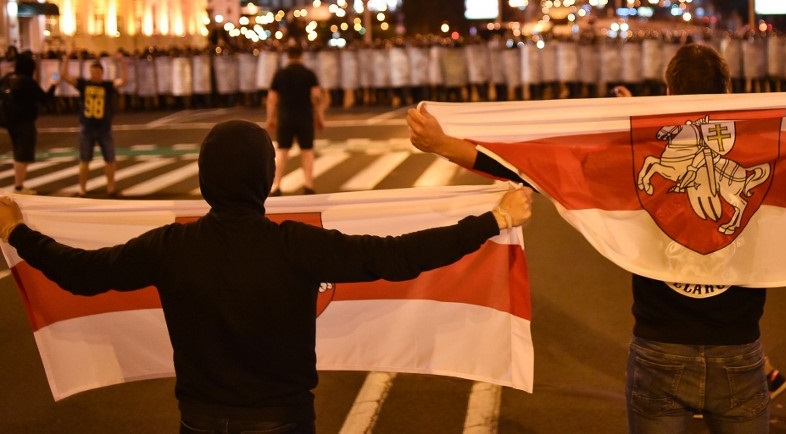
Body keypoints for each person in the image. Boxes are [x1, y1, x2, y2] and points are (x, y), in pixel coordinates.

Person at [408, 42, 786, 433]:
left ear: (670, 93)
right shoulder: (772, 150)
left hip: (657, 350)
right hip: (740, 354)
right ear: (729, 89)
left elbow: (535, 163)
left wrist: (444, 144)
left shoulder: (635, 152)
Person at [0, 119, 533, 433]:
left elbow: (81, 274)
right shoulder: (294, 245)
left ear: (206, 178)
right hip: (282, 419)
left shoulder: (171, 245)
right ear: (267, 178)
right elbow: (396, 257)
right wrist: (495, 219)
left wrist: (17, 233)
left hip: (200, 419)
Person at [60, 52, 127, 197]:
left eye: (97, 72)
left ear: (102, 73)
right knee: (84, 159)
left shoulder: (107, 86)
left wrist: (122, 62)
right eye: (92, 72)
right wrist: (66, 58)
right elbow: (65, 76)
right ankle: (82, 189)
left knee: (109, 159)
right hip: (87, 127)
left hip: (104, 127)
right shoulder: (84, 84)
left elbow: (124, 81)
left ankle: (111, 188)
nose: (95, 75)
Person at [267, 45, 325, 196]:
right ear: (301, 56)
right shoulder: (308, 74)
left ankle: (277, 185)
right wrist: (320, 117)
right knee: (307, 151)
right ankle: (308, 185)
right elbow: (317, 97)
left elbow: (272, 99)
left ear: (288, 56)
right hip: (305, 117)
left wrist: (270, 118)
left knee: (282, 151)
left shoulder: (280, 74)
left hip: (285, 117)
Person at [1, 51, 57, 194]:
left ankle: (19, 184)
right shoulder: (27, 81)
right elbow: (44, 99)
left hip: (8, 120)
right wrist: (53, 85)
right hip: (25, 121)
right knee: (23, 153)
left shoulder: (7, 78)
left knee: (17, 151)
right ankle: (19, 186)